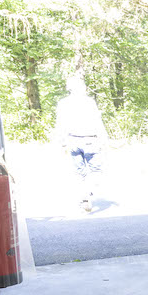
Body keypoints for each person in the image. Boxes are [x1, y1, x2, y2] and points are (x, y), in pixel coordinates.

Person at [53, 75, 107, 212]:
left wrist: (62, 141)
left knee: (80, 172)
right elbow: (97, 120)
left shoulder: (63, 103)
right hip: (90, 139)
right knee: (96, 170)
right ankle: (88, 193)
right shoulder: (89, 102)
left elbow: (60, 123)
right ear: (81, 87)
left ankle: (84, 196)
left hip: (72, 140)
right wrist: (103, 137)